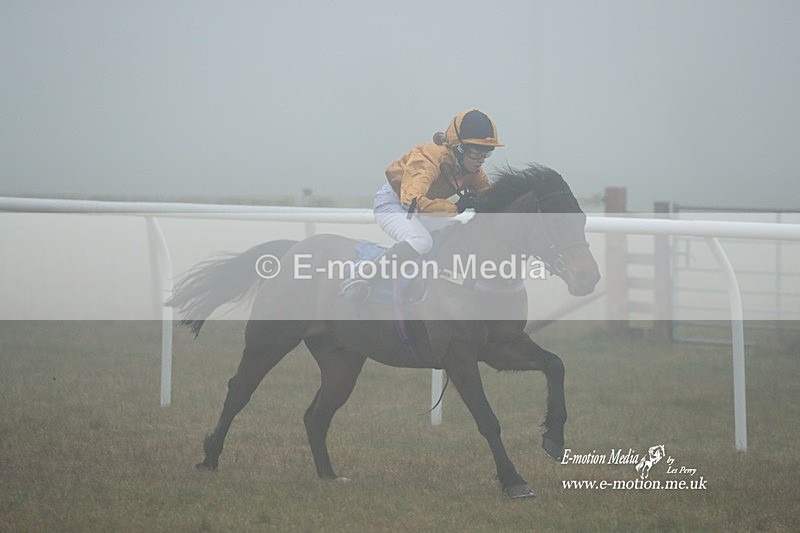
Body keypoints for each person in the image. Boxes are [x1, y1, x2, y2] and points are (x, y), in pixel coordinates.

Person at [341, 108, 505, 312]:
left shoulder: (474, 171)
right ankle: (362, 278)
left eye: (486, 153)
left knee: (455, 229)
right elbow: (412, 202)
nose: (482, 159)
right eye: (476, 152)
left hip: (422, 209)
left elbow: (491, 200)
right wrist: (455, 207)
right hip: (394, 204)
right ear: (459, 149)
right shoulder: (428, 159)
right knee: (420, 241)